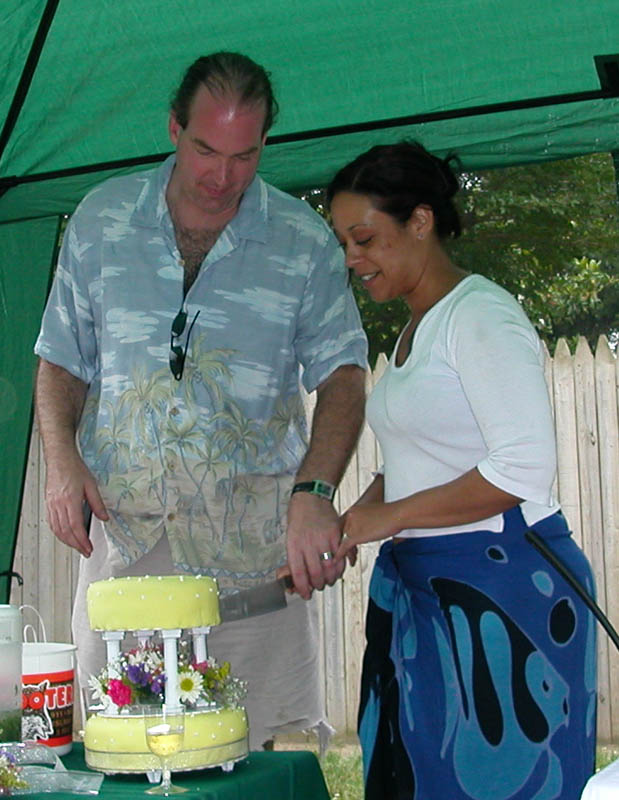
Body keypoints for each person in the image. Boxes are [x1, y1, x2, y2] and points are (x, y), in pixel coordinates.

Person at [34, 51, 367, 750]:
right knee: (122, 751)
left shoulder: (303, 243)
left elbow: (343, 375)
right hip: (126, 543)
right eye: (206, 150)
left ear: (265, 144)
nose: (222, 177)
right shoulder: (101, 221)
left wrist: (316, 490)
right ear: (174, 129)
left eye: (244, 156)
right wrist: (62, 462)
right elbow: (61, 359)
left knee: (242, 756)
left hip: (252, 558)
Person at [327, 141, 597, 799]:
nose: (351, 259)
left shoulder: (479, 314)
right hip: (430, 591)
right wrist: (358, 516)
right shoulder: (417, 326)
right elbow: (421, 459)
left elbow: (521, 469)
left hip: (504, 599)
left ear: (420, 221)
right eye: (343, 243)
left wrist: (388, 517)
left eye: (364, 239)